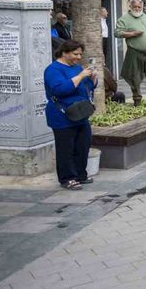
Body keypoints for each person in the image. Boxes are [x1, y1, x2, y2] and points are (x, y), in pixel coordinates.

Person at [44, 40, 97, 190]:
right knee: (65, 149)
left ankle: (81, 174)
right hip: (62, 116)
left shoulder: (76, 67)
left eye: (80, 54)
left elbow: (87, 87)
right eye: (75, 54)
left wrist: (92, 78)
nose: (78, 57)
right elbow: (60, 89)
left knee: (82, 146)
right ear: (64, 52)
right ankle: (67, 178)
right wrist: (80, 76)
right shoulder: (53, 69)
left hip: (81, 113)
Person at [115, 0, 146, 107]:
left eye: (139, 7)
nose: (137, 9)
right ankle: (137, 99)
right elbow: (117, 33)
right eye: (134, 7)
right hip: (135, 52)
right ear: (130, 7)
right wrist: (133, 34)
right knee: (135, 77)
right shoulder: (124, 18)